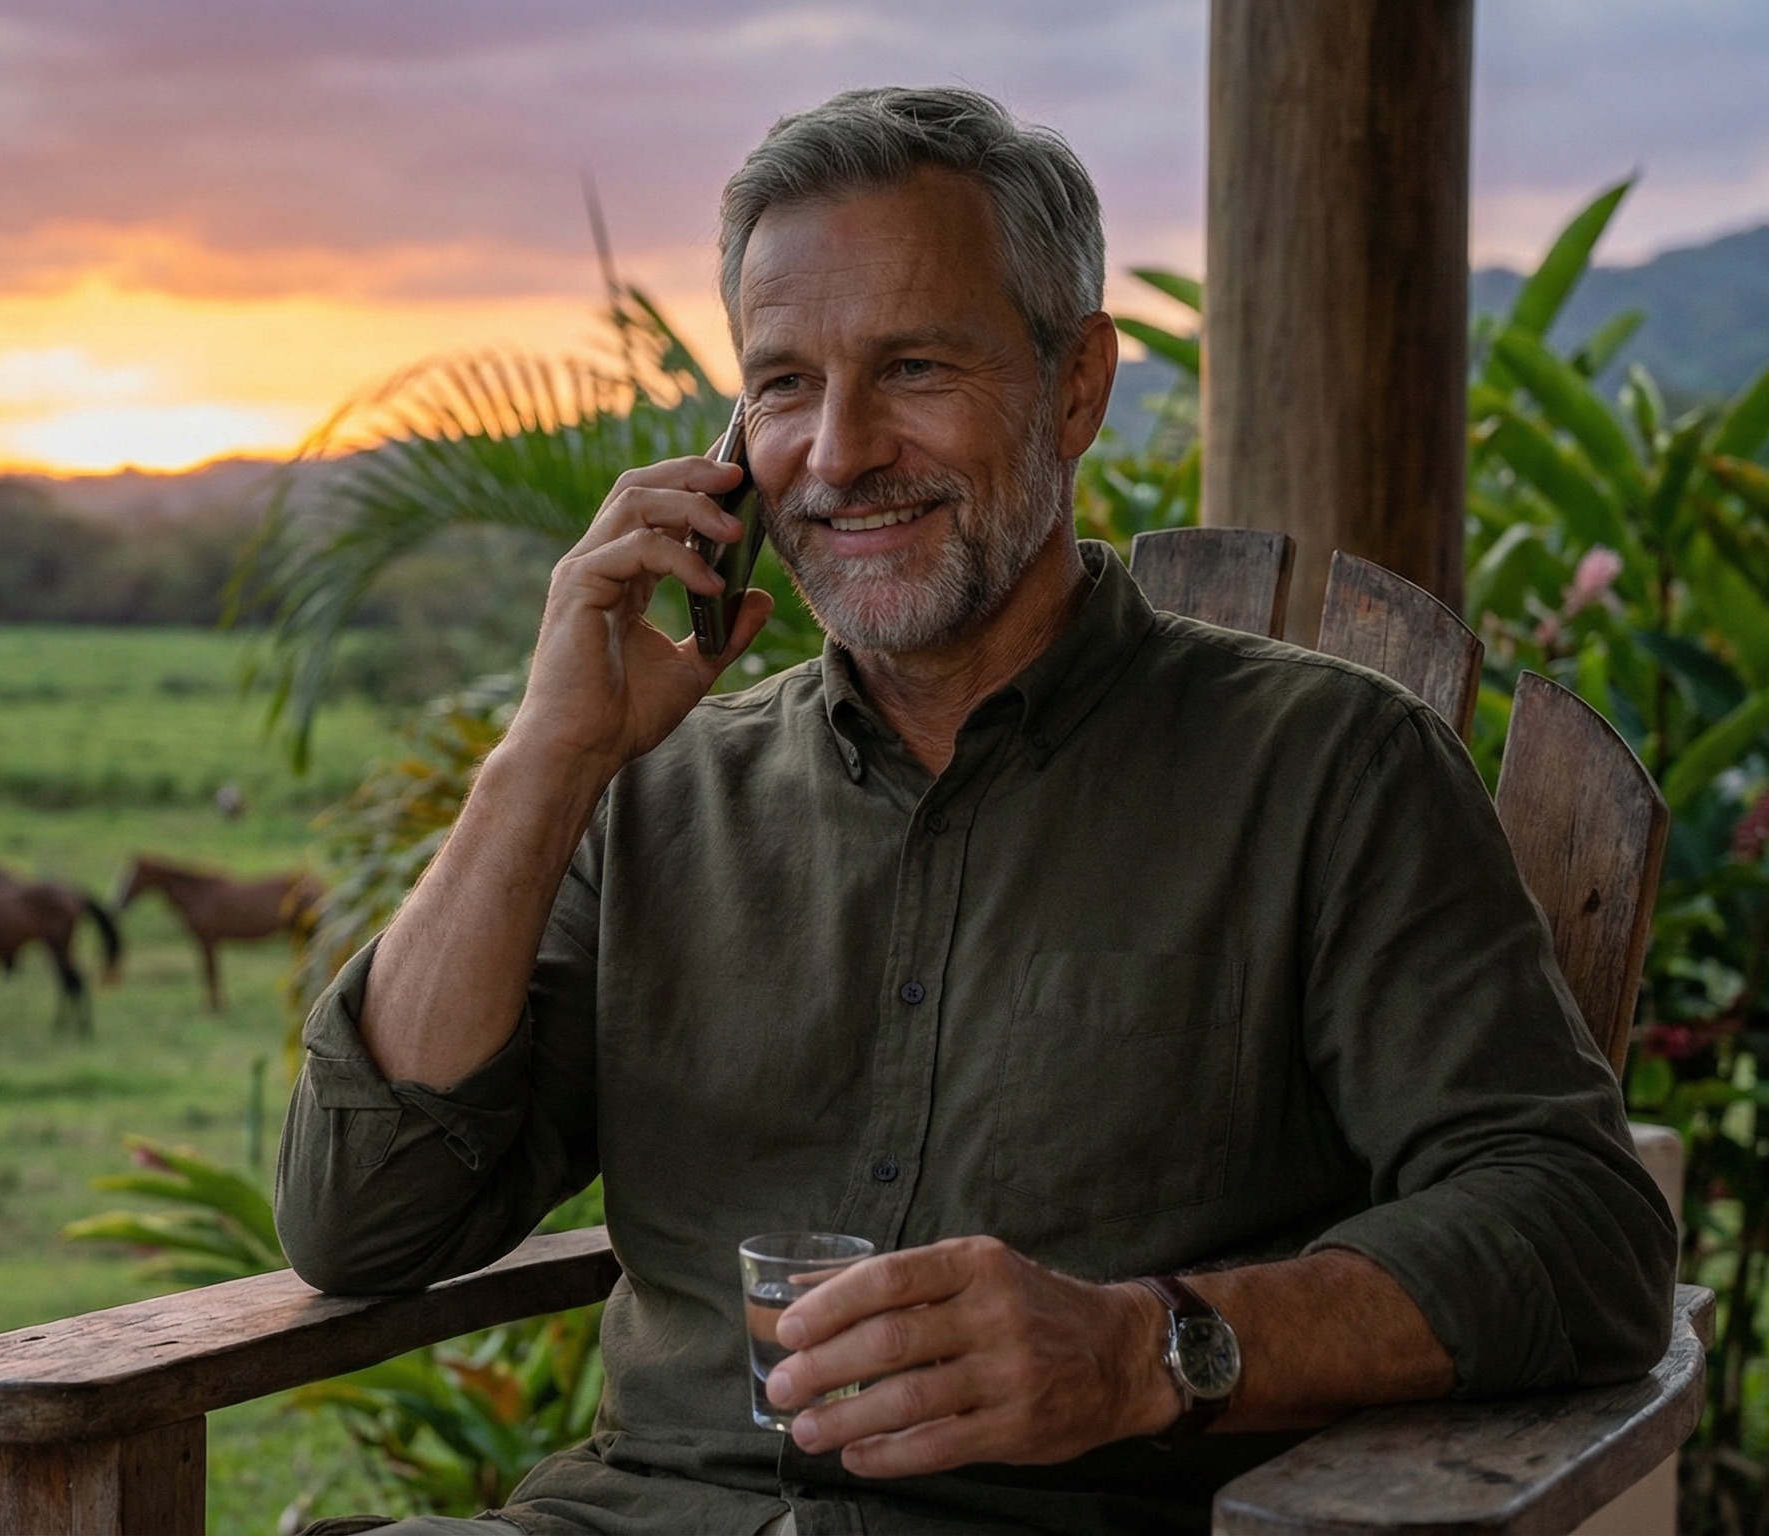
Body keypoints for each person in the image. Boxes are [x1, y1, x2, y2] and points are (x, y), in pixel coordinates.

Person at [277, 85, 1675, 1536]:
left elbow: (1577, 1233)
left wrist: (1146, 1351)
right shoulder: (656, 802)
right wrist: (545, 759)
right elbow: (361, 1220)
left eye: (916, 368)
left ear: (1075, 385)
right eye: (783, 386)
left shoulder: (1326, 774)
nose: (839, 450)